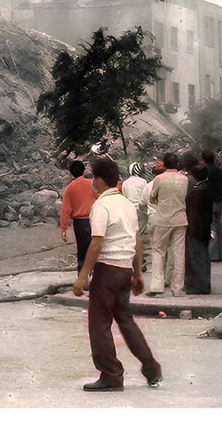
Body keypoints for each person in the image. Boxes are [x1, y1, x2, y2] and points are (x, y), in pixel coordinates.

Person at [72, 155, 163, 391]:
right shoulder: (125, 204)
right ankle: (151, 368)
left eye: (93, 176)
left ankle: (111, 375)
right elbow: (137, 240)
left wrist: (82, 276)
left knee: (99, 323)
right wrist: (138, 273)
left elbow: (96, 243)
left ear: (99, 179)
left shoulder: (101, 205)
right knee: (125, 320)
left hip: (107, 270)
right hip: (124, 269)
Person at [147, 152, 188, 296]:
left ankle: (157, 286)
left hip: (163, 219)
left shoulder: (159, 179)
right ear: (177, 164)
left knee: (158, 251)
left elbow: (152, 198)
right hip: (180, 218)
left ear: (164, 164)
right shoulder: (184, 179)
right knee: (179, 253)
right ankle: (177, 288)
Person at [60, 159, 97, 273]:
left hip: (79, 223)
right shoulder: (92, 184)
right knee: (95, 247)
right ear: (84, 170)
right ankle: (97, 273)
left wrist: (63, 229)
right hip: (94, 220)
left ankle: (83, 275)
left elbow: (66, 210)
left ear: (71, 173)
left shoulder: (70, 188)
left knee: (81, 249)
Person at [183, 161, 213, 294]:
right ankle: (205, 283)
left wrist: (192, 228)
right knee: (204, 257)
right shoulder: (207, 188)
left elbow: (193, 214)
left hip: (196, 228)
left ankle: (200, 286)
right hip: (205, 227)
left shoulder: (195, 193)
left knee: (197, 257)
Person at [203, 150, 222, 261]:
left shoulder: (204, 173)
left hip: (208, 202)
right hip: (221, 202)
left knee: (211, 228)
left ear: (203, 160)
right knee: (220, 228)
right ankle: (220, 254)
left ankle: (212, 255)